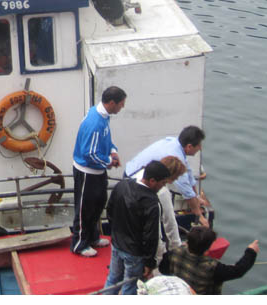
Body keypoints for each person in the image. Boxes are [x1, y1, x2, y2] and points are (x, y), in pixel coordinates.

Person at [69, 85, 127, 256]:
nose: (122, 107)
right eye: (121, 104)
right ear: (111, 103)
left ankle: (93, 236)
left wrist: (113, 150)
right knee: (84, 209)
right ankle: (79, 244)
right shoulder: (95, 123)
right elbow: (89, 154)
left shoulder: (103, 116)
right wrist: (109, 161)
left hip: (98, 172)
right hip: (87, 173)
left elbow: (105, 139)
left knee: (98, 204)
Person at [103, 160, 171, 295]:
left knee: (112, 279)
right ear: (152, 181)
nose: (163, 187)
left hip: (117, 243)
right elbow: (151, 236)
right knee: (131, 286)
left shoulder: (122, 185)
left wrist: (116, 233)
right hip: (134, 253)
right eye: (163, 183)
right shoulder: (152, 203)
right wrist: (149, 262)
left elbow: (110, 211)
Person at [124, 126, 208, 226]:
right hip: (133, 180)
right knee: (163, 206)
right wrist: (200, 216)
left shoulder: (175, 143)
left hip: (139, 174)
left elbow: (189, 174)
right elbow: (186, 189)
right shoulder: (175, 155)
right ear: (189, 146)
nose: (200, 148)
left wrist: (197, 197)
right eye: (199, 145)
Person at [159, 226, 259, 294]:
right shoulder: (213, 268)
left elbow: (163, 269)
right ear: (207, 251)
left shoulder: (174, 253)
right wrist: (251, 251)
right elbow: (238, 271)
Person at [132, 155, 186, 265]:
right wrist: (177, 248)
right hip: (148, 240)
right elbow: (169, 222)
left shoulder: (138, 176)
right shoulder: (162, 192)